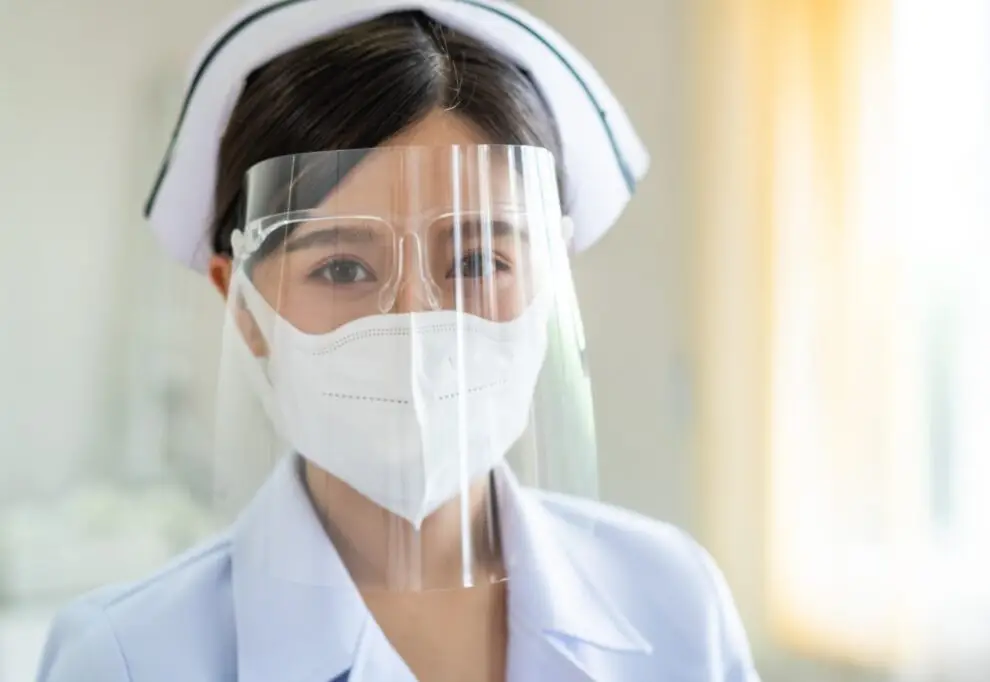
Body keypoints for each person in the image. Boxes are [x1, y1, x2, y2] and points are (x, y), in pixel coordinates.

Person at [37, 1, 760, 680]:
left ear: (552, 281)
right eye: (343, 266)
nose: (417, 321)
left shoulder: (673, 602)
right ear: (243, 305)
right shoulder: (129, 657)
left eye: (478, 261)